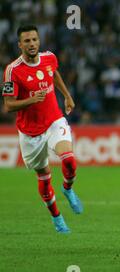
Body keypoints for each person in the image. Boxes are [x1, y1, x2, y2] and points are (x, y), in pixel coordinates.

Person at [2, 25, 83, 233]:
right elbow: (8, 105)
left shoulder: (49, 58)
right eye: (27, 41)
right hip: (30, 132)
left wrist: (66, 95)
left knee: (69, 160)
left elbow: (54, 74)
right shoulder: (13, 70)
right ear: (20, 45)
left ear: (39, 41)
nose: (32, 44)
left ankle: (68, 188)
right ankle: (57, 218)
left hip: (54, 120)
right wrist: (30, 100)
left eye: (34, 40)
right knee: (44, 177)